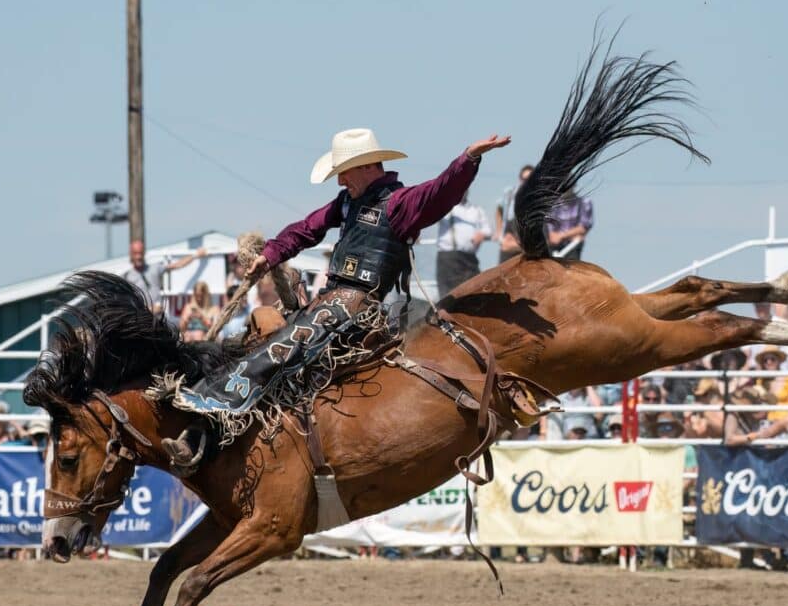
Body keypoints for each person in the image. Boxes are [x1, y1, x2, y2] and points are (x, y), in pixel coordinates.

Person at [161, 127, 510, 471]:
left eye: (343, 172)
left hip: (357, 306)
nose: (341, 181)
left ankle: (206, 419)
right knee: (258, 339)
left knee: (279, 349)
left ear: (365, 166)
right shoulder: (346, 203)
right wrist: (270, 254)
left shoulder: (400, 203)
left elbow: (440, 192)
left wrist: (468, 160)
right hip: (329, 302)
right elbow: (306, 228)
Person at [123, 240, 208, 315]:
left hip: (158, 318)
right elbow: (127, 303)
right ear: (131, 254)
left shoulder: (155, 268)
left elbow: (177, 265)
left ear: (144, 253)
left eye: (140, 253)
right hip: (140, 319)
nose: (139, 257)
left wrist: (196, 255)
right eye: (135, 253)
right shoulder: (127, 277)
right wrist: (148, 309)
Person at [435, 191, 491, 296]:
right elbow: (428, 216)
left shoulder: (476, 210)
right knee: (448, 296)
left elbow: (487, 230)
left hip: (470, 259)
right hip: (448, 259)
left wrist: (482, 234)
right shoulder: (444, 207)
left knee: (475, 291)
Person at [495, 165, 533, 264]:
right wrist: (499, 234)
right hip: (508, 242)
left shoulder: (536, 197)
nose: (526, 182)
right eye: (524, 179)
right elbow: (499, 209)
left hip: (525, 242)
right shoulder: (510, 193)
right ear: (520, 179)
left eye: (530, 179)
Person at [546, 195, 593, 260]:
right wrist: (551, 235)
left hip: (572, 244)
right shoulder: (551, 204)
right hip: (552, 244)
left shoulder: (584, 202)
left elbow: (584, 226)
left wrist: (561, 236)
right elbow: (548, 223)